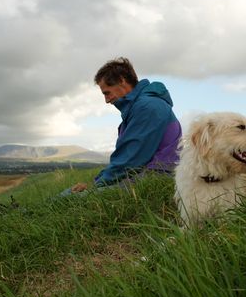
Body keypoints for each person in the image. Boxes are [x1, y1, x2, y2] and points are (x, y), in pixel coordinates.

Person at [62, 57, 182, 195]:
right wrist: (96, 181)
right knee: (74, 193)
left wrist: (94, 185)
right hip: (150, 173)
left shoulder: (148, 107)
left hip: (158, 175)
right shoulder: (141, 106)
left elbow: (130, 160)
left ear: (122, 80)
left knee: (73, 197)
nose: (106, 100)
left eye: (107, 92)